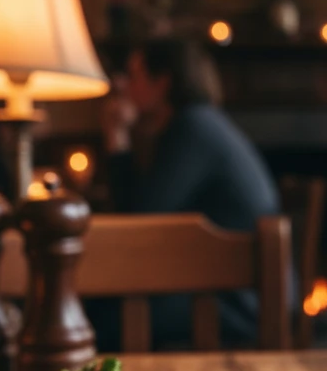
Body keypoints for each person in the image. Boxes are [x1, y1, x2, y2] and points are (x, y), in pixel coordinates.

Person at [102, 37, 281, 347]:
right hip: (227, 292)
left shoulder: (192, 130)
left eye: (133, 76)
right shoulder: (198, 124)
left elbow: (136, 223)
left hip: (236, 304)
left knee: (98, 312)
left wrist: (117, 138)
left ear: (162, 83)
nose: (121, 85)